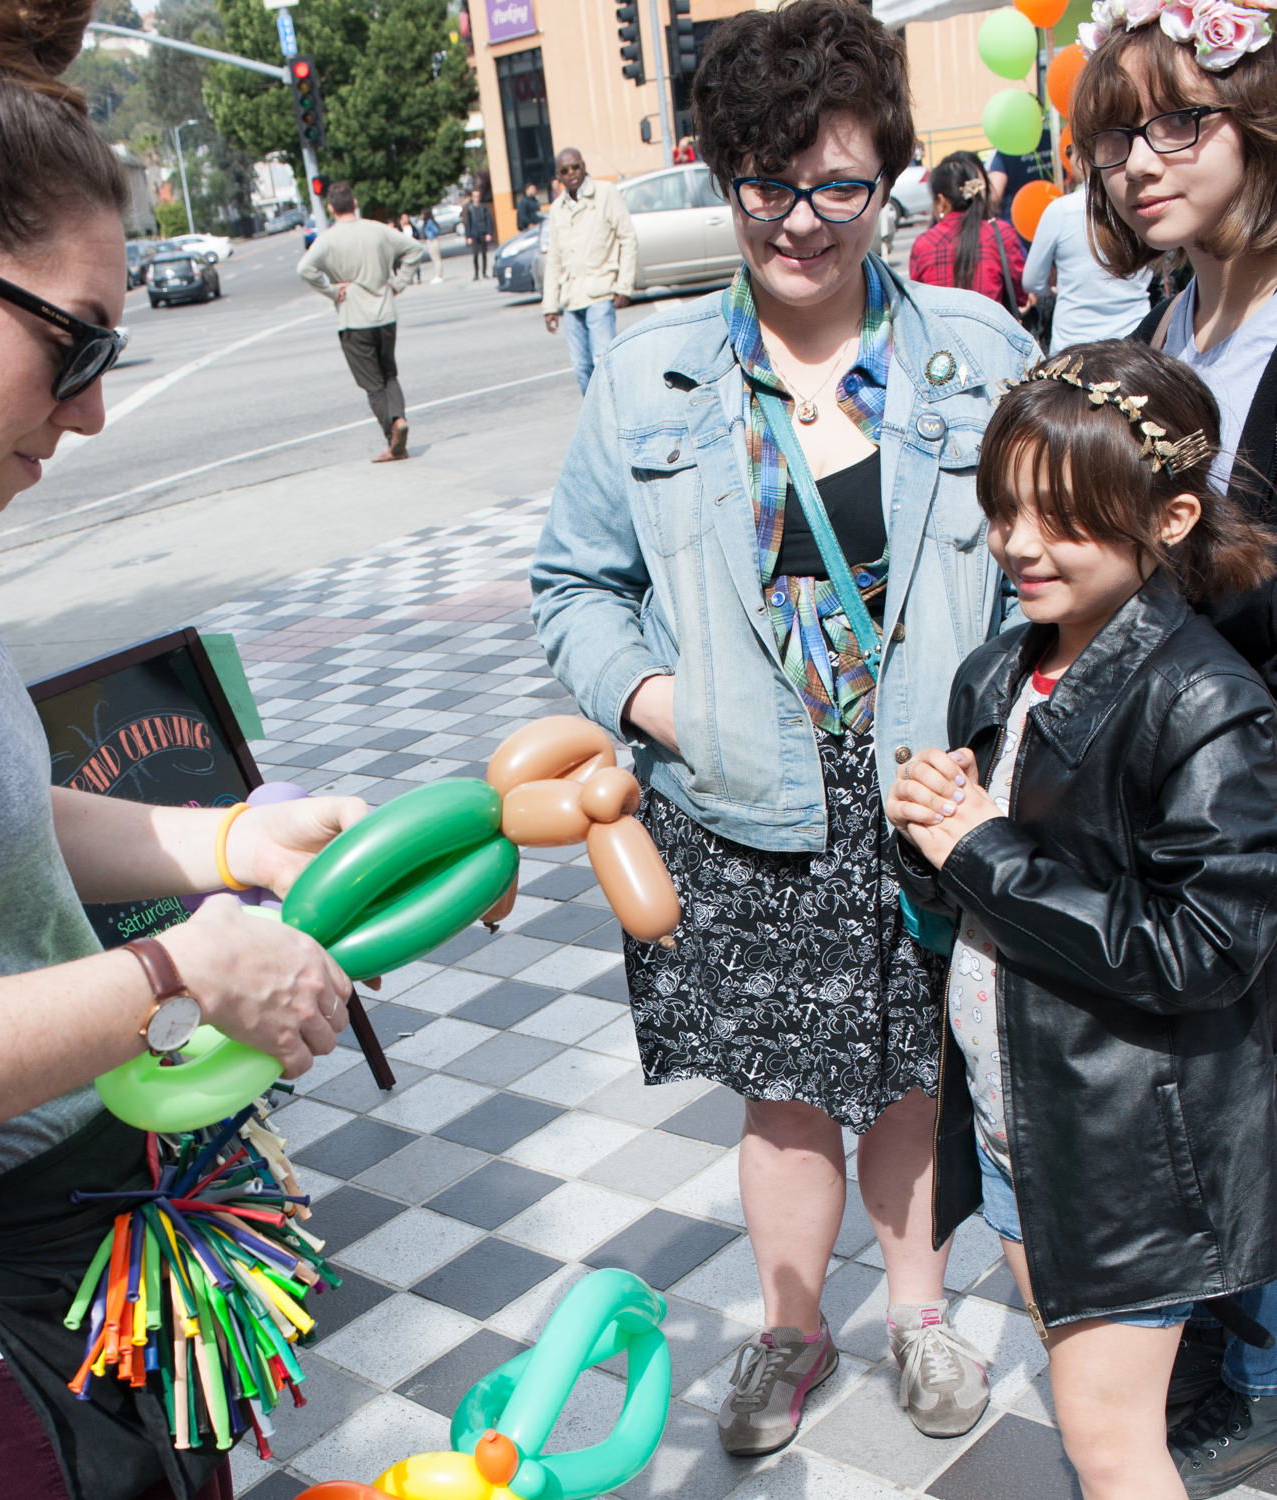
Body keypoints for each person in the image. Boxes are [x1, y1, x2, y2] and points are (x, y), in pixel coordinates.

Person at [0, 4, 362, 1498]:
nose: (97, 408)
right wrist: (172, 974)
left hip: (88, 1229)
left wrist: (228, 847)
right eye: (72, 344)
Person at [531, 0, 1035, 1455]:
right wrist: (653, 700)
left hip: (929, 785)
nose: (801, 220)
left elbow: (1055, 554)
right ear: (721, 176)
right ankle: (791, 1328)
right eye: (767, 182)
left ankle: (921, 1313)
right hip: (740, 794)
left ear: (886, 176)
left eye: (837, 184)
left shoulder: (980, 355)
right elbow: (575, 583)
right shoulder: (648, 377)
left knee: (913, 1065)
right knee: (781, 1088)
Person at [887, 339, 1277, 1500]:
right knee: (1093, 1415)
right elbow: (960, 895)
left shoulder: (1208, 702)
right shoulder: (999, 671)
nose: (1017, 544)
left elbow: (1206, 949)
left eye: (1062, 518)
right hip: (1024, 1122)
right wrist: (921, 845)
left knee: (1110, 1449)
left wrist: (979, 848)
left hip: (1127, 1149)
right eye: (1004, 508)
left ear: (1169, 518)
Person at [1073, 4, 1277, 1489]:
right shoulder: (1166, 324)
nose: (1137, 164)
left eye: (1179, 121)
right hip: (1200, 805)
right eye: (1115, 132)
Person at [298, 180, 423, 463]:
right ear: (355, 203)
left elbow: (304, 269)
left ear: (330, 208)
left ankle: (392, 435)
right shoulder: (378, 230)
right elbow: (414, 249)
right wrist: (398, 283)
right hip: (385, 314)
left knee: (372, 384)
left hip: (353, 318)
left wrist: (332, 290)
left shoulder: (328, 239)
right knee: (389, 374)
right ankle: (399, 417)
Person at [1020, 159, 1154, 352]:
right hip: (1135, 338)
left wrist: (1053, 291)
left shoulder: (1061, 211)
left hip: (1074, 346)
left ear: (1081, 158)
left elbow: (1031, 282)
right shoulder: (1141, 202)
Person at [540, 147, 637, 394]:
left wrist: (623, 284)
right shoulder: (557, 209)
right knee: (581, 367)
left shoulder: (605, 193)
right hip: (571, 299)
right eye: (565, 170)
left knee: (602, 363)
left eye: (575, 167)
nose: (571, 173)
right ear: (558, 175)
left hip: (600, 293)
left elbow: (627, 238)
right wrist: (550, 305)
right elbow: (554, 259)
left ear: (583, 166)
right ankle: (595, 422)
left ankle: (611, 422)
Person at [909, 150, 1028, 318]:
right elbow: (1021, 295)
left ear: (941, 202)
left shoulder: (923, 245)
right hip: (992, 338)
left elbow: (915, 304)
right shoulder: (1000, 232)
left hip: (942, 342)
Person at [986, 126, 1054, 223]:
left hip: (1019, 222)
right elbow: (1071, 180)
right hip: (1054, 215)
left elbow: (994, 196)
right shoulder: (1053, 138)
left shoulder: (1006, 148)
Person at [464, 186, 495, 279]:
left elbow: (489, 220)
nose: (476, 198)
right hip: (474, 234)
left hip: (483, 233)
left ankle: (484, 272)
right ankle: (476, 274)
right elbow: (468, 223)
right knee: (475, 255)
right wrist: (468, 236)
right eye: (474, 196)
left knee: (484, 254)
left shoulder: (483, 208)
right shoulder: (470, 209)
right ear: (472, 197)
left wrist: (489, 233)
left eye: (478, 196)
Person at [421, 206, 444, 283]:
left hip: (432, 241)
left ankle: (439, 275)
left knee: (436, 259)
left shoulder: (429, 222)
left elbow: (436, 231)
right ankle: (438, 275)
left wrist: (431, 237)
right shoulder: (429, 221)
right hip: (431, 241)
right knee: (435, 258)